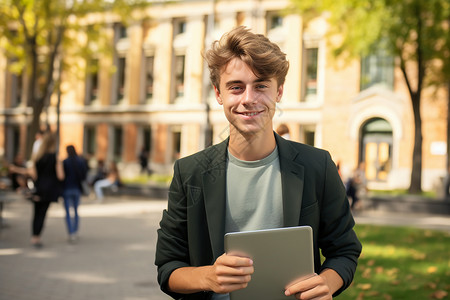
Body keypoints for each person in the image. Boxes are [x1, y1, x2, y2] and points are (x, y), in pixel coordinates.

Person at [155, 26, 361, 300]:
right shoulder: (189, 172)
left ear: (279, 91)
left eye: (261, 85)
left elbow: (345, 250)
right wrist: (208, 276)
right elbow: (168, 268)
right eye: (236, 87)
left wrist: (327, 283)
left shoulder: (317, 165)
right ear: (219, 94)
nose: (249, 99)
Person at [28, 131, 64, 248]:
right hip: (49, 189)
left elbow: (33, 175)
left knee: (36, 213)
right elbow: (60, 176)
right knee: (42, 214)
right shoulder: (54, 157)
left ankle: (34, 236)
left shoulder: (37, 157)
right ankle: (37, 237)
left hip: (38, 187)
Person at [62, 145, 88, 243]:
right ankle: (76, 231)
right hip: (77, 188)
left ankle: (71, 232)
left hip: (67, 188)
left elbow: (61, 176)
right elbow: (84, 175)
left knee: (68, 212)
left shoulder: (65, 162)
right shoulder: (80, 161)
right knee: (76, 211)